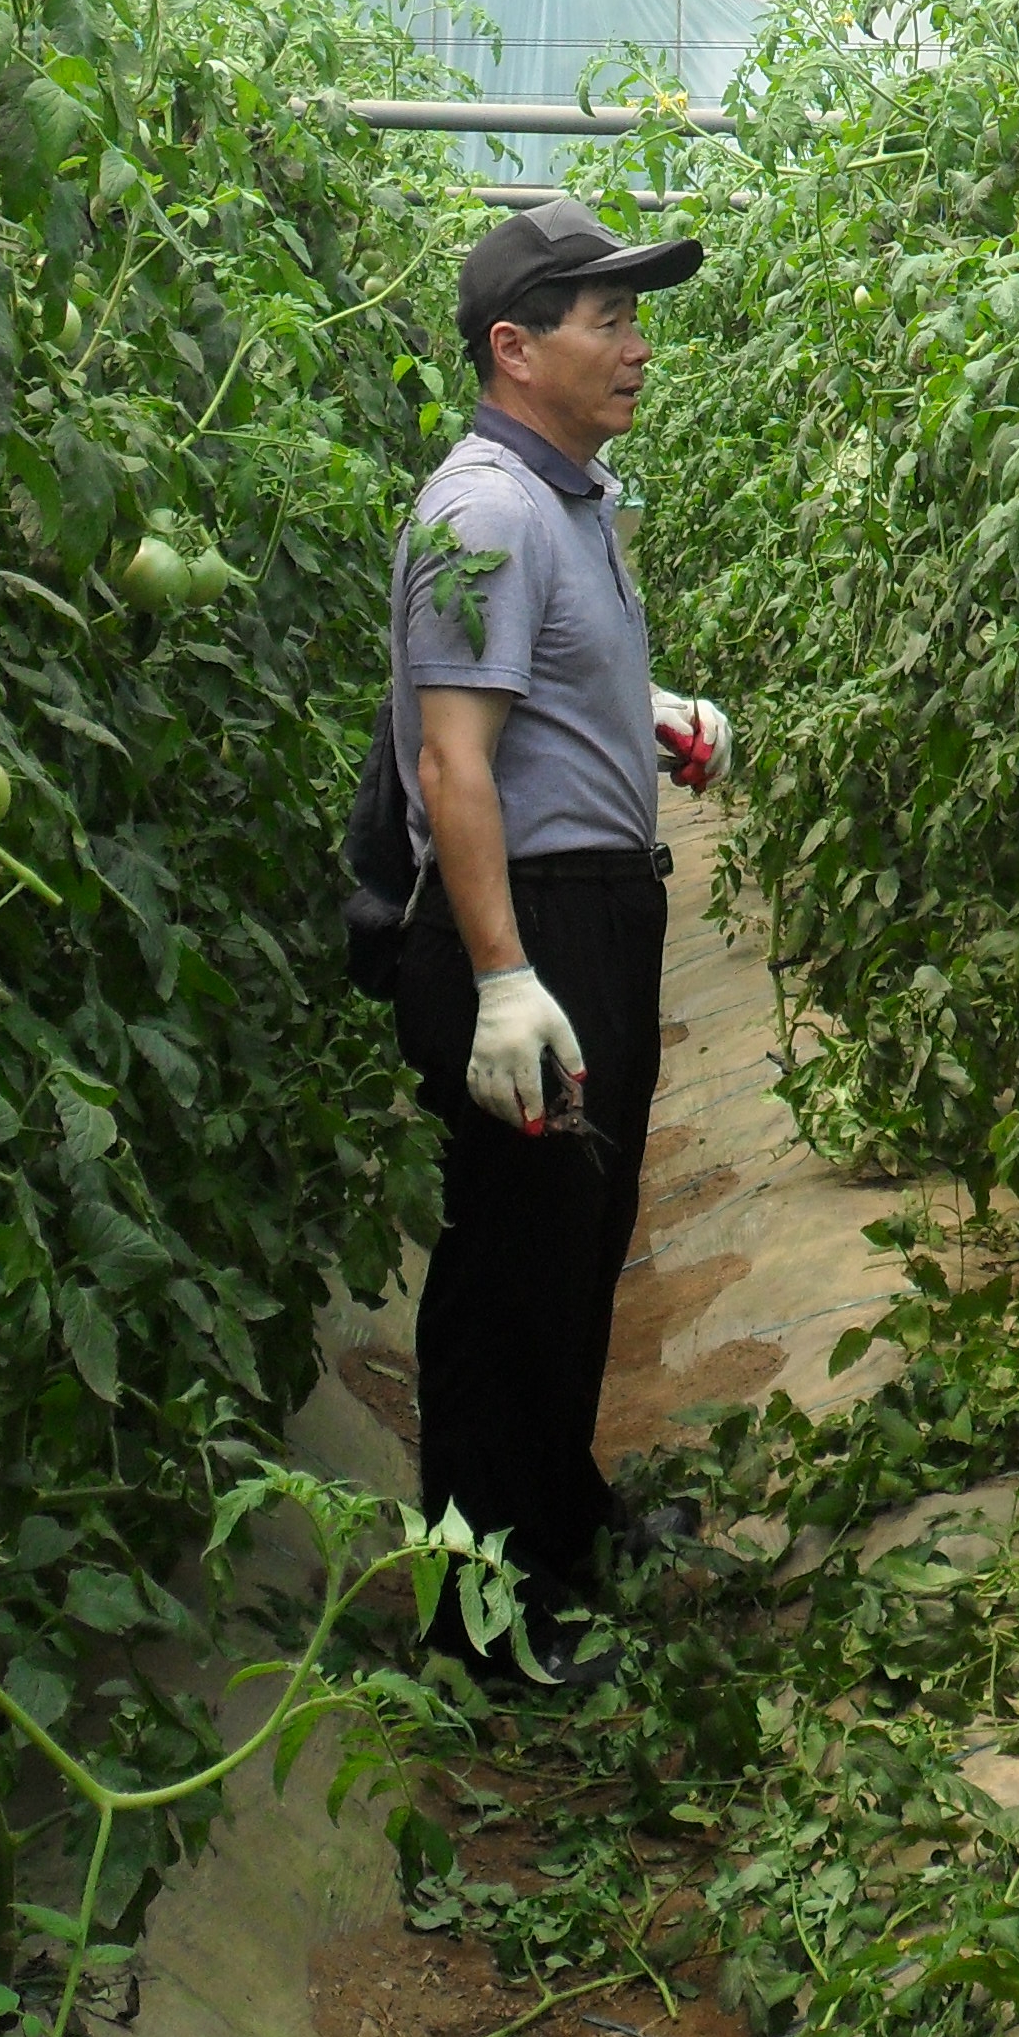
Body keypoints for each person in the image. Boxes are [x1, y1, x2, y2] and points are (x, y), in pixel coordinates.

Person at [388, 193, 734, 1687]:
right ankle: (479, 1624)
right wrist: (504, 978)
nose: (638, 347)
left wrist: (642, 723)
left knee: (579, 1244)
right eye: (610, 320)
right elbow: (451, 763)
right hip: (525, 929)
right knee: (509, 1273)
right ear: (514, 348)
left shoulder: (568, 501)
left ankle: (561, 1526)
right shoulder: (485, 511)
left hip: (593, 905)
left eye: (636, 318)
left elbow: (524, 704)